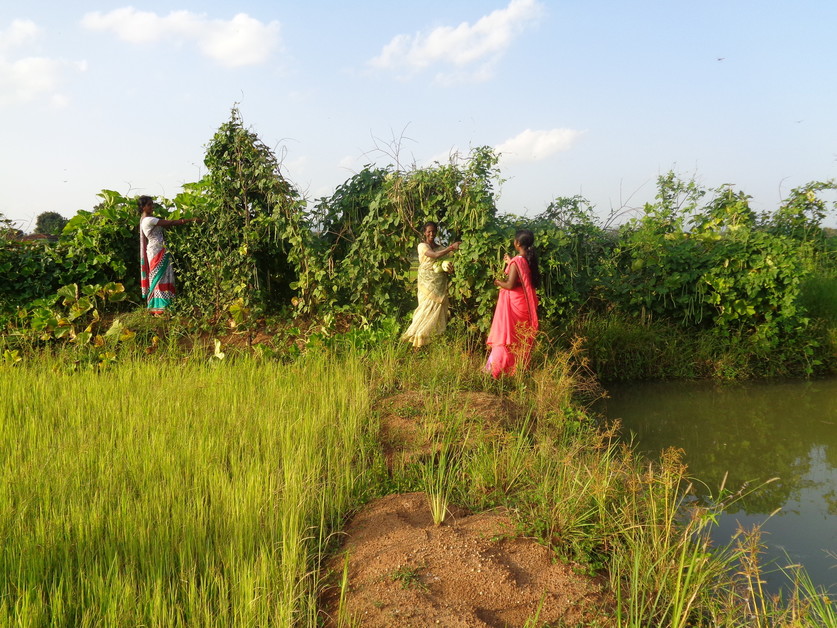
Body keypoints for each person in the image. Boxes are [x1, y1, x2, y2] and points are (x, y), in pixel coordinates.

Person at [485, 229, 540, 377]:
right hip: (522, 303)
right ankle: (517, 370)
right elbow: (521, 276)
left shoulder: (518, 261)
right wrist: (511, 262)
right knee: (518, 338)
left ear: (517, 243)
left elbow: (509, 285)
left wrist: (497, 281)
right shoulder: (527, 260)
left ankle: (496, 370)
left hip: (514, 303)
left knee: (506, 337)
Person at [401, 221, 461, 348]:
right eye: (429, 231)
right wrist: (451, 247)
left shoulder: (440, 247)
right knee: (425, 309)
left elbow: (443, 262)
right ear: (424, 233)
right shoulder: (422, 246)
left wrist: (449, 268)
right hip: (426, 282)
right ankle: (416, 338)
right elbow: (434, 255)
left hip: (439, 283)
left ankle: (429, 341)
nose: (431, 234)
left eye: (433, 231)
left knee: (436, 311)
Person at [138, 195, 199, 314]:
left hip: (159, 248)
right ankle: (160, 307)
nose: (152, 206)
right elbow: (170, 222)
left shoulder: (146, 219)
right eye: (149, 205)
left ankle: (161, 305)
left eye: (152, 204)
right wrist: (189, 220)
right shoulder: (149, 220)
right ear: (143, 207)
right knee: (159, 277)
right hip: (156, 250)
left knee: (162, 275)